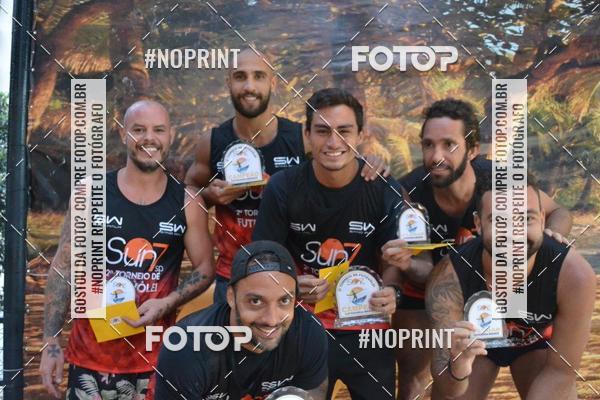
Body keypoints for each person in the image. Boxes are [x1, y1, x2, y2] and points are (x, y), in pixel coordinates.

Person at [253, 88, 432, 399]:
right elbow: (261, 260)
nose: (333, 142)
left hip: (368, 330)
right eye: (323, 131)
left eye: (344, 131)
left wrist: (392, 292)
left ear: (361, 135)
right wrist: (290, 285)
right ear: (307, 135)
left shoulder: (383, 188)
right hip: (302, 327)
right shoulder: (283, 186)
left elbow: (398, 259)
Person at [395, 98, 574, 399]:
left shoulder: (499, 179)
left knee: (548, 382)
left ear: (473, 150)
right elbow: (424, 270)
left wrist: (548, 236)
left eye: (449, 145)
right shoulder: (409, 192)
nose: (436, 156)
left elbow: (559, 212)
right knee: (418, 371)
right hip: (439, 290)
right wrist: (406, 263)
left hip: (502, 288)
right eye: (428, 145)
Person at [40, 100, 215, 399]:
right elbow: (63, 267)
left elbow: (205, 268)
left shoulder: (188, 202)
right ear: (123, 134)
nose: (149, 138)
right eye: (139, 129)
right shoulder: (91, 192)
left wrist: (167, 302)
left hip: (156, 361)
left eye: (158, 130)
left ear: (170, 135)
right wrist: (51, 341)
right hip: (89, 359)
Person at [185, 49, 389, 303]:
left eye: (259, 76)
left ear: (273, 83)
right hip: (233, 270)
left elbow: (337, 159)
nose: (249, 86)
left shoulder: (300, 137)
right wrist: (210, 195)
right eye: (240, 77)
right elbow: (189, 193)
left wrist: (370, 162)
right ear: (228, 82)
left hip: (287, 271)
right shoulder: (213, 141)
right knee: (232, 331)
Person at [425, 174, 595, 400]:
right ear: (478, 224)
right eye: (499, 221)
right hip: (477, 349)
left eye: (526, 219)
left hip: (535, 343)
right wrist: (458, 366)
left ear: (542, 219)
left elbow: (561, 372)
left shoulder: (574, 274)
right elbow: (447, 387)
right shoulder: (449, 277)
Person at [154, 240, 329, 399]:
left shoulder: (308, 332)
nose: (272, 319)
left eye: (284, 301)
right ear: (231, 297)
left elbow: (314, 390)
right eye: (256, 301)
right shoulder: (186, 347)